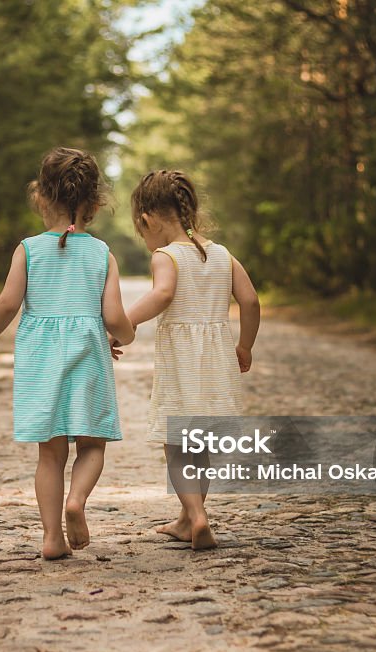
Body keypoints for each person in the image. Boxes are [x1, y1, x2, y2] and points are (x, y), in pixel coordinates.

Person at [0, 147, 135, 559]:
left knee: (50, 454)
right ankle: (76, 501)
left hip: (41, 363)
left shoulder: (27, 249)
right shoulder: (102, 254)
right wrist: (123, 336)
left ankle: (51, 538)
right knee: (92, 445)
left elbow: (7, 304)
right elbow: (114, 316)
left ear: (41, 198)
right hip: (88, 358)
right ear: (94, 205)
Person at [124, 169, 260, 550]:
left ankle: (196, 516)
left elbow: (163, 295)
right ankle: (189, 518)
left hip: (182, 362)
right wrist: (245, 346)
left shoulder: (166, 256)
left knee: (176, 441)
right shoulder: (222, 254)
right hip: (216, 359)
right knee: (199, 441)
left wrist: (124, 323)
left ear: (148, 219)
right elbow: (249, 300)